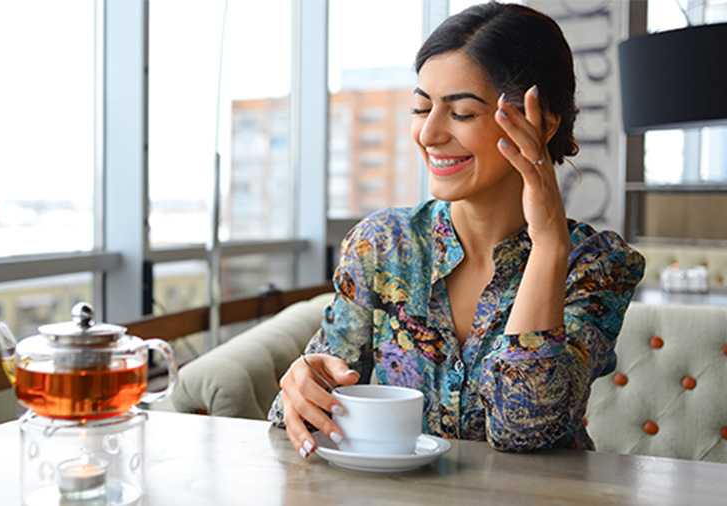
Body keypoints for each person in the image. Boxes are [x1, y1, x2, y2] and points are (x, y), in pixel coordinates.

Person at [269, 2, 645, 458]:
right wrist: (302, 385)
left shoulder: (598, 264)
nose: (428, 134)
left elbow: (524, 431)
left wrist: (547, 246)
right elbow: (308, 411)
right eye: (420, 107)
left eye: (462, 113)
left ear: (542, 122)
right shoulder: (383, 246)